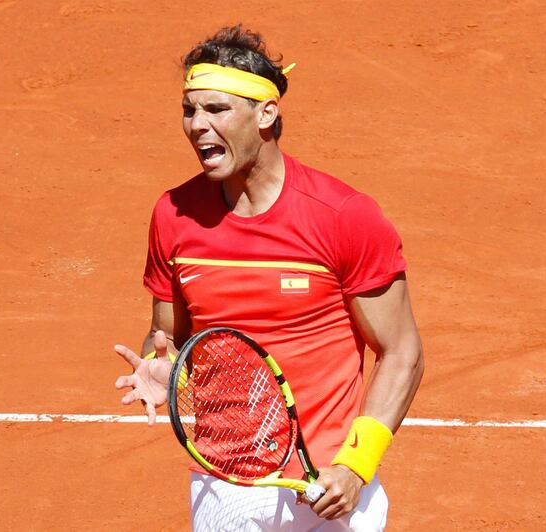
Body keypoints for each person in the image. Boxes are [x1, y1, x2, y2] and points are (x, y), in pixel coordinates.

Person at [114, 24, 424, 531]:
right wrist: (161, 366)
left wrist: (356, 465)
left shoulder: (343, 216)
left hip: (329, 482)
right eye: (190, 110)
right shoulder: (174, 215)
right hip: (224, 479)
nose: (197, 125)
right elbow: (170, 337)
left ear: (266, 113)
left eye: (216, 110)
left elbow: (402, 351)